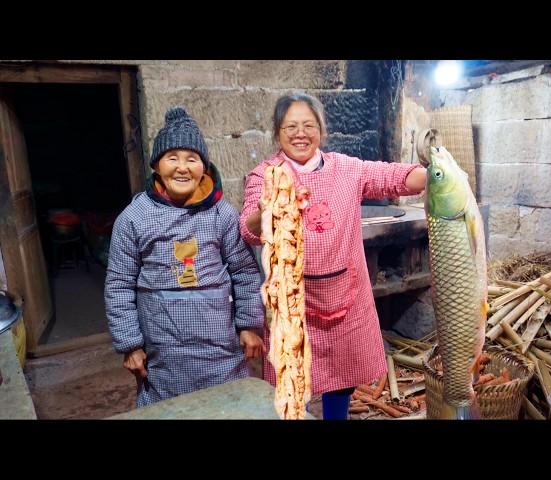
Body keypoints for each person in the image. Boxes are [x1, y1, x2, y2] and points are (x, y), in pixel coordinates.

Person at [240, 92, 427, 419]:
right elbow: (249, 229)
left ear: (321, 131)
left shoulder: (346, 169)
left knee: (342, 377)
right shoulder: (266, 174)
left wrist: (438, 176)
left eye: (309, 125)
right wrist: (266, 209)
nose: (301, 134)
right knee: (294, 382)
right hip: (292, 304)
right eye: (291, 127)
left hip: (345, 296)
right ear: (278, 132)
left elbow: (392, 178)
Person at [105, 106, 265, 408]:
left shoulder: (222, 214)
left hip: (220, 350)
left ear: (204, 166)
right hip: (163, 352)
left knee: (228, 408)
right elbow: (119, 285)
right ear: (157, 165)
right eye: (172, 158)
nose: (182, 167)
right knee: (170, 412)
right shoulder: (134, 218)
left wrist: (249, 324)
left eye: (192, 159)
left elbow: (244, 272)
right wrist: (130, 344)